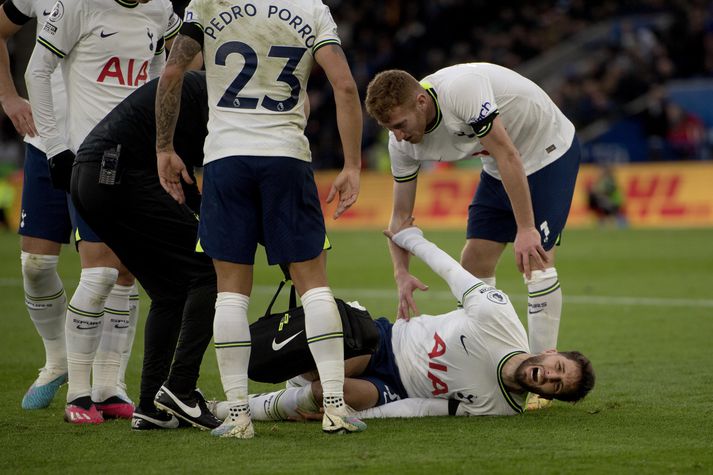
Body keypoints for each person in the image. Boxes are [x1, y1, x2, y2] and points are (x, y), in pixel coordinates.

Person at [155, 1, 364, 438]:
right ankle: (334, 408)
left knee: (230, 293)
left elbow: (173, 72)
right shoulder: (311, 9)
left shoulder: (208, 5)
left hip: (226, 160)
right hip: (286, 157)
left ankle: (237, 416)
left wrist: (163, 148)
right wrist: (352, 165)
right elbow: (344, 86)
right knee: (314, 284)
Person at [211, 223, 595, 421]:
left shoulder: (502, 408)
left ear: (547, 395)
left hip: (393, 388)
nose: (550, 376)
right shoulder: (499, 318)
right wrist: (410, 238)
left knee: (333, 393)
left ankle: (236, 409)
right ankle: (295, 372)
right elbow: (450, 271)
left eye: (557, 386)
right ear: (549, 352)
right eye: (558, 367)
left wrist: (345, 411)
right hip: (384, 339)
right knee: (328, 369)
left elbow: (426, 409)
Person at [365, 65, 582, 409]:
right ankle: (486, 350)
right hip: (498, 165)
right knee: (473, 261)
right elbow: (400, 219)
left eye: (400, 125)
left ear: (421, 102)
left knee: (536, 259)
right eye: (390, 128)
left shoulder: (462, 91)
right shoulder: (401, 145)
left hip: (546, 151)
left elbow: (510, 153)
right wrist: (401, 273)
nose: (398, 135)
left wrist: (525, 229)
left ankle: (540, 374)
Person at [24, 0, 181, 423]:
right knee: (99, 273)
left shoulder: (160, 10)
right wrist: (56, 149)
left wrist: (158, 138)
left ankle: (109, 388)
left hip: (136, 159)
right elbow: (36, 72)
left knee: (128, 275)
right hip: (91, 158)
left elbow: (159, 74)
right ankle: (78, 394)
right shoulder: (78, 6)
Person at [0, 0, 135, 412]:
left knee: (116, 268)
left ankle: (110, 383)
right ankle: (57, 358)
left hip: (106, 148)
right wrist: (8, 97)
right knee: (35, 266)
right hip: (46, 140)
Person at [72, 70, 222, 431]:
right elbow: (201, 176)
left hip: (92, 175)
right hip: (118, 173)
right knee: (210, 269)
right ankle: (180, 389)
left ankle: (151, 404)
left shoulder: (198, 87)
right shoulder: (219, 97)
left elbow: (184, 181)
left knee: (169, 290)